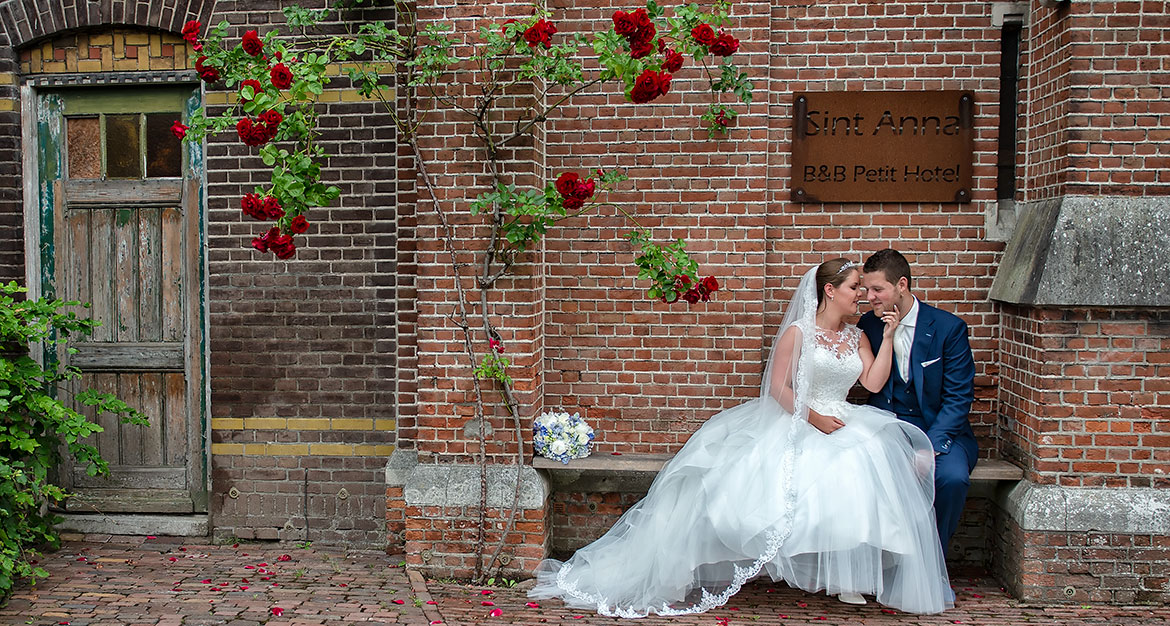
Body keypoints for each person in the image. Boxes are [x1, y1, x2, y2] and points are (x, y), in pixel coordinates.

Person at [529, 258, 953, 617]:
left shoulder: (858, 335)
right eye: (854, 288)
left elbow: (875, 384)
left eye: (862, 288)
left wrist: (889, 338)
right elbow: (779, 389)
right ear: (830, 290)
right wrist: (815, 419)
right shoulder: (798, 333)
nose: (860, 295)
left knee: (858, 473)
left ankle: (846, 575)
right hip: (802, 418)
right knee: (755, 494)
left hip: (844, 418)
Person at [857, 249, 977, 562]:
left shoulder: (948, 329)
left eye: (877, 289)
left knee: (950, 478)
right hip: (888, 428)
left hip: (939, 428)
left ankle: (932, 566)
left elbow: (958, 398)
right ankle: (881, 565)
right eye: (867, 289)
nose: (869, 296)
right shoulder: (868, 326)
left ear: (902, 285)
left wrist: (930, 448)